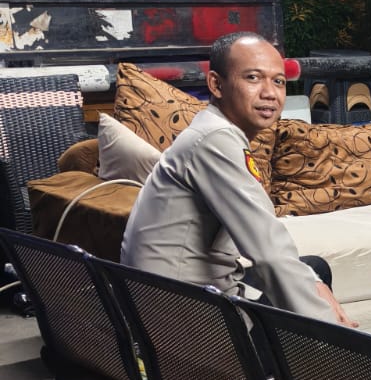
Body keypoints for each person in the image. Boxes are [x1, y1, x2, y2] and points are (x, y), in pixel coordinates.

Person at [121, 32, 355, 326]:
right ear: (216, 84)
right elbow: (268, 250)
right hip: (185, 318)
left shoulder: (212, 130)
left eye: (279, 81)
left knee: (314, 270)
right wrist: (335, 332)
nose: (270, 93)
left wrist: (312, 283)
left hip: (170, 299)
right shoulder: (215, 140)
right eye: (253, 78)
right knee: (313, 294)